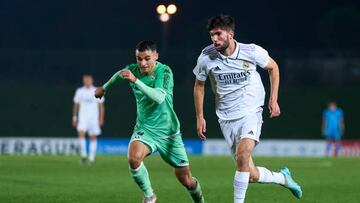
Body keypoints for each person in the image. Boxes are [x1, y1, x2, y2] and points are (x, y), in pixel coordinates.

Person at [193, 15, 302, 203]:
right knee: (249, 174)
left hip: (251, 110)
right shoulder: (206, 56)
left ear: (230, 34)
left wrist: (273, 99)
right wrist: (200, 116)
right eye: (212, 35)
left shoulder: (251, 51)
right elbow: (199, 85)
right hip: (226, 117)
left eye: (218, 34)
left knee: (243, 154)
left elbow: (273, 67)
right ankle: (283, 178)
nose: (214, 39)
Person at [94, 40, 204, 203]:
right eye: (139, 59)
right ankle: (149, 196)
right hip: (145, 129)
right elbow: (120, 74)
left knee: (186, 180)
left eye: (147, 58)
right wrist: (104, 88)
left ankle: (200, 202)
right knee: (134, 158)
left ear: (156, 56)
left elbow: (159, 97)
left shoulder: (164, 71)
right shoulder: (132, 70)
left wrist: (135, 81)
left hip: (169, 133)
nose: (143, 63)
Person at [72, 74, 105, 165]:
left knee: (93, 137)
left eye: (89, 80)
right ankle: (83, 155)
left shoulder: (97, 90)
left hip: (93, 118)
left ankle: (91, 158)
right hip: (82, 117)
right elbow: (76, 104)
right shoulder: (79, 91)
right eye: (85, 80)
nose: (87, 81)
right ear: (83, 81)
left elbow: (101, 105)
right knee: (81, 133)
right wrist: (74, 117)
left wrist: (101, 118)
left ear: (92, 80)